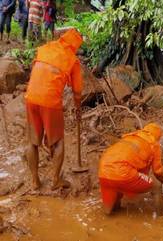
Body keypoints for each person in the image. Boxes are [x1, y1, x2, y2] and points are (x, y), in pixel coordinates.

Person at [24, 29, 83, 190]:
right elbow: (77, 92)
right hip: (50, 101)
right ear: (75, 46)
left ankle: (35, 180)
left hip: (31, 97)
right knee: (58, 142)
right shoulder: (72, 60)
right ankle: (56, 180)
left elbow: (35, 69)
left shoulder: (44, 48)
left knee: (32, 142)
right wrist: (78, 109)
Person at [98, 123, 163, 215]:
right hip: (123, 172)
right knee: (157, 186)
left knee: (109, 211)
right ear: (157, 136)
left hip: (103, 171)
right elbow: (158, 172)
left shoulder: (129, 137)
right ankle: (162, 218)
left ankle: (111, 215)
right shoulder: (154, 144)